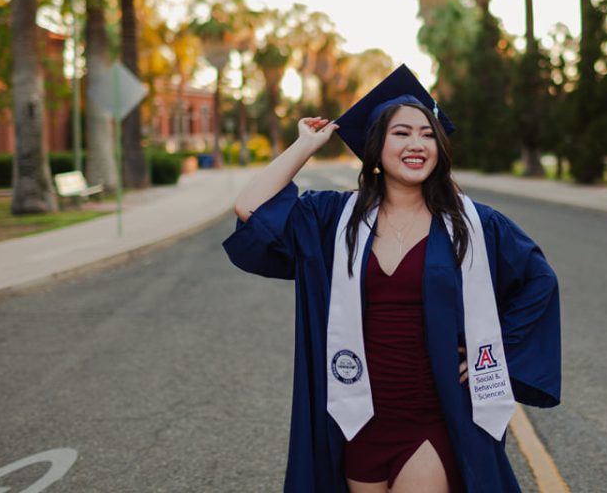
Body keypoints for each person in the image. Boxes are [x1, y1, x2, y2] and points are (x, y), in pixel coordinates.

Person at [223, 64, 560, 493]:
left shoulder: (473, 225)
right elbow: (250, 207)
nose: (416, 144)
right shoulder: (334, 218)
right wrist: (304, 145)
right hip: (358, 414)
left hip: (432, 416)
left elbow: (539, 281)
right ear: (375, 148)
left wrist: (494, 355)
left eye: (426, 134)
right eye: (401, 133)